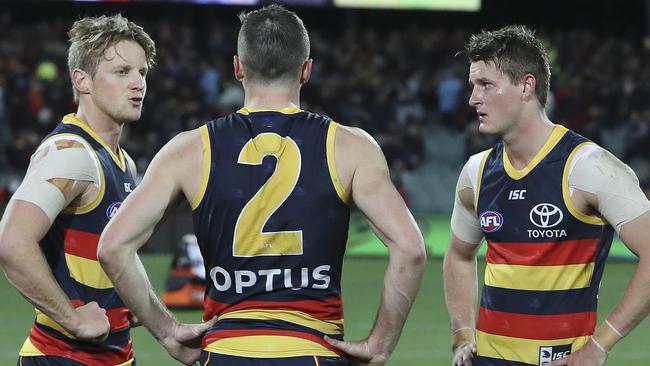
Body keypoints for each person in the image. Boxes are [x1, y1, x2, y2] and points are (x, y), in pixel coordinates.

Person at [97, 5, 426, 366]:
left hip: (225, 350)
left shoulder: (189, 149)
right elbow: (410, 249)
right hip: (313, 351)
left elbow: (113, 247)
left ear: (238, 67)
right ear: (306, 70)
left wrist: (167, 331)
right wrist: (380, 344)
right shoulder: (349, 146)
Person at [443, 25, 650, 366]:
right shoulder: (476, 173)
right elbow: (459, 256)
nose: (472, 99)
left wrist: (600, 345)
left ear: (526, 86)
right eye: (472, 86)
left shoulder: (588, 168)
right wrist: (462, 333)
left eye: (486, 85)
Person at [0, 14, 159, 366]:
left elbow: (117, 253)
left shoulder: (124, 163)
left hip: (115, 355)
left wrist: (128, 300)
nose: (138, 84)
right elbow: (11, 241)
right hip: (64, 357)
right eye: (121, 72)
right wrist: (72, 319)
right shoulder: (71, 154)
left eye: (142, 72)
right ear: (82, 81)